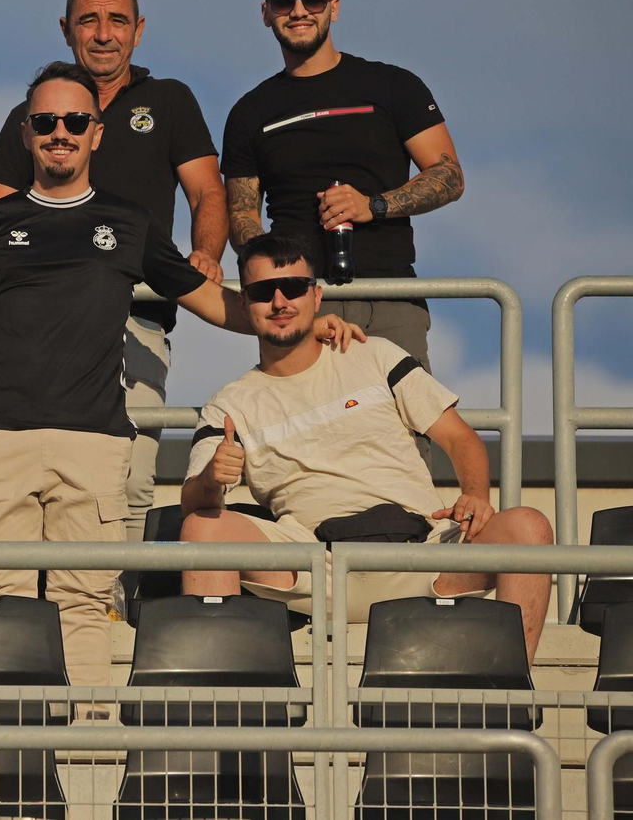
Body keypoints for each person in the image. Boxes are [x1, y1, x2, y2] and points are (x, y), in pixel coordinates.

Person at [0, 63, 363, 687]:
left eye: (75, 121)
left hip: (96, 440)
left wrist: (292, 316)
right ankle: (18, 777)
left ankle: (81, 766)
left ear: (97, 135)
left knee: (82, 606)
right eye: (46, 122)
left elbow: (213, 302)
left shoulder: (129, 221)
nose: (61, 132)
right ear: (25, 134)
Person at [178, 233, 553, 661]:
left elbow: (459, 437)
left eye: (295, 288)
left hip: (424, 555)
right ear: (244, 305)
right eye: (263, 292)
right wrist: (211, 479)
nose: (280, 301)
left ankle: (513, 698)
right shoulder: (229, 403)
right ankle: (219, 709)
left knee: (529, 527)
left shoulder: (374, 354)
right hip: (315, 567)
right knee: (203, 528)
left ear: (316, 296)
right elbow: (194, 500)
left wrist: (476, 496)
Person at [0, 0, 227, 539]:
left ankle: (108, 614)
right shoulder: (41, 114)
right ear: (66, 30)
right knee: (25, 483)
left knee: (128, 478)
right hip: (36, 327)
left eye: (117, 19)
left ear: (138, 30)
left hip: (135, 317)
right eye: (88, 20)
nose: (103, 33)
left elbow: (208, 191)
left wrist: (206, 254)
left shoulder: (168, 100)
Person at [222, 0, 466, 372]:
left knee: (403, 431)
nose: (298, 11)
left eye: (312, 0)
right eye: (283, 2)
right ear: (266, 13)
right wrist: (278, 286)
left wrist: (373, 206)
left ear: (333, 7)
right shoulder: (249, 112)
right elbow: (242, 213)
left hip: (388, 295)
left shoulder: (392, 85)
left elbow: (449, 174)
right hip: (300, 300)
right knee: (304, 434)